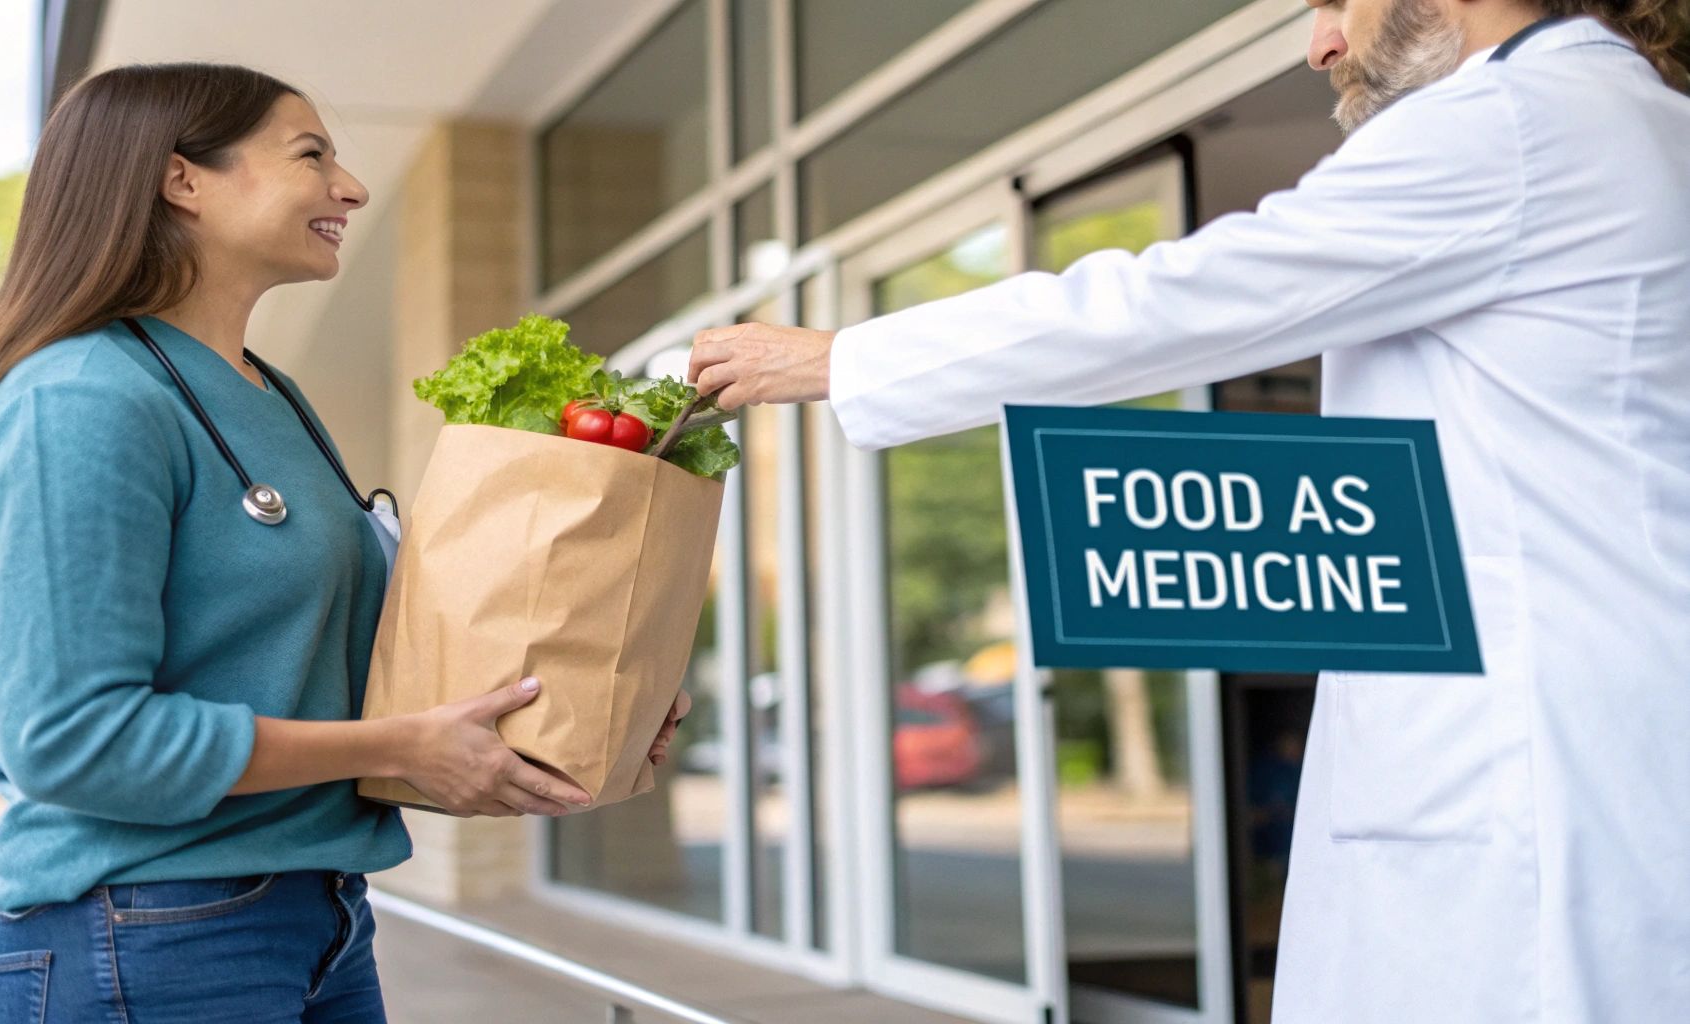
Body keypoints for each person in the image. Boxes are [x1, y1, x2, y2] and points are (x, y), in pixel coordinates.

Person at [688, 2, 1690, 1021]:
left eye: (1335, 2)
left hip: (1529, 769)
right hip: (1606, 727)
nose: (1318, 45)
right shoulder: (1646, 126)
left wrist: (844, 359)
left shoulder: (1507, 123)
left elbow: (1174, 299)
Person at [0, 63, 687, 1023]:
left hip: (320, 919)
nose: (353, 187)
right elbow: (69, 740)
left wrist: (586, 700)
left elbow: (331, 692)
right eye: (311, 155)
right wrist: (402, 742)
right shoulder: (81, 399)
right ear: (183, 180)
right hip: (146, 930)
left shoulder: (266, 393)